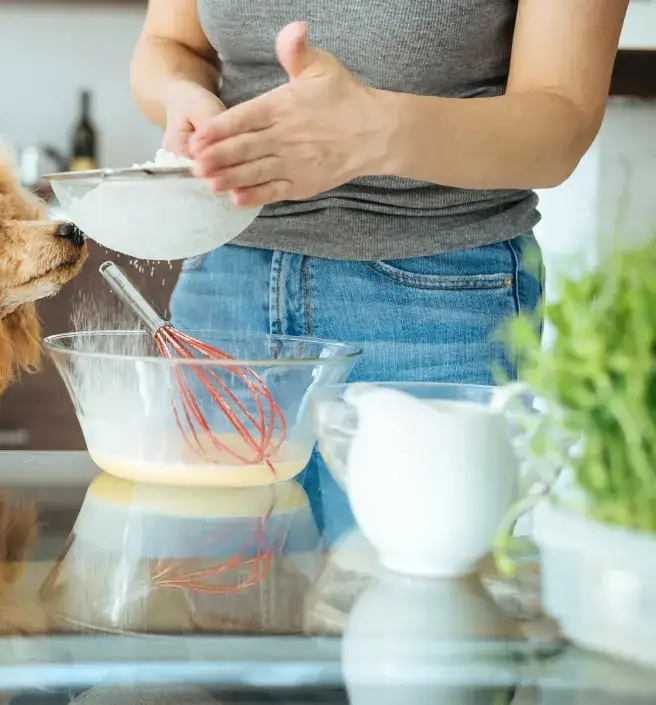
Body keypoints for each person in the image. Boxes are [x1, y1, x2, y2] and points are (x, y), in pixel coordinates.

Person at [130, 0, 629, 536]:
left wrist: (378, 131)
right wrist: (182, 97)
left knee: (422, 605)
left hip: (436, 302)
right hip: (223, 286)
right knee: (220, 604)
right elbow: (170, 46)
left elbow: (562, 121)